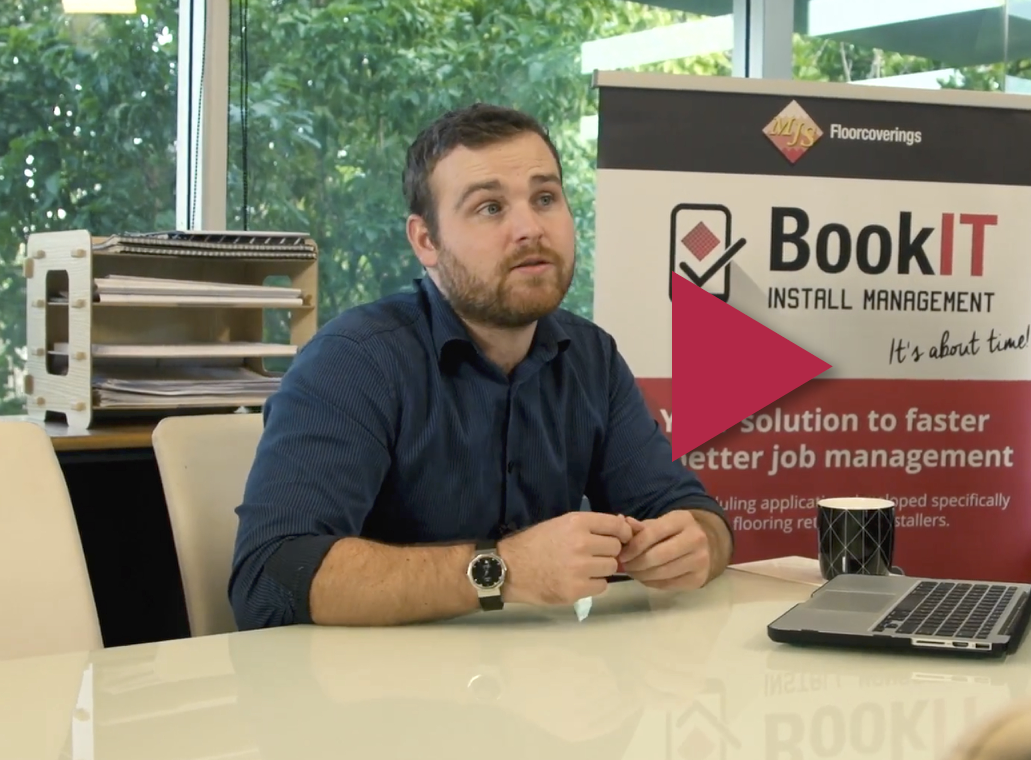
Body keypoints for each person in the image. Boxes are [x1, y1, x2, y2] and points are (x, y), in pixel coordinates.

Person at [227, 103, 733, 630]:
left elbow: (694, 513)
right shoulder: (354, 361)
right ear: (426, 241)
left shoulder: (591, 357)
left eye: (545, 198)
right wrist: (504, 571)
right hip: (380, 678)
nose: (530, 228)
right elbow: (269, 581)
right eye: (490, 207)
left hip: (546, 672)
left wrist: (697, 542)